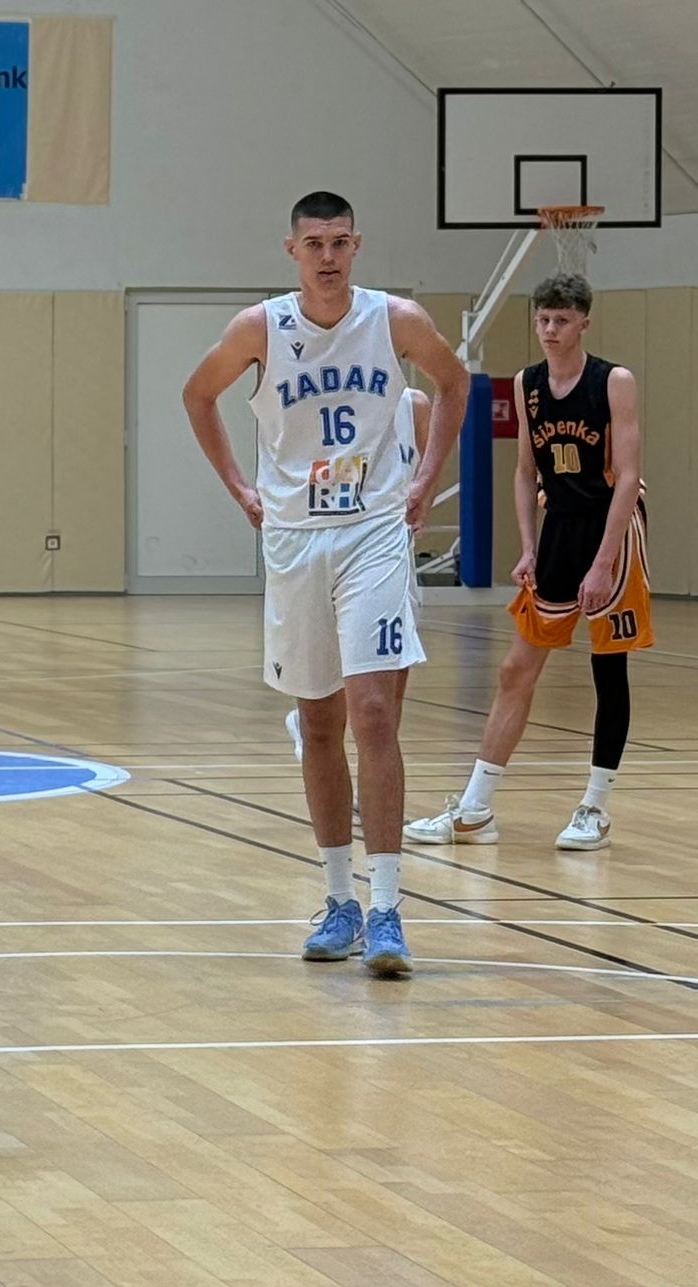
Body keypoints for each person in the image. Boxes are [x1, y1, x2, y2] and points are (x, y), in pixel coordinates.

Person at [182, 190, 468, 978]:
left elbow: (454, 384)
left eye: (340, 242)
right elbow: (197, 395)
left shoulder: (396, 320)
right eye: (315, 244)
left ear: (357, 245)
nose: (329, 256)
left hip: (373, 531)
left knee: (373, 712)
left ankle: (388, 909)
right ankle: (339, 898)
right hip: (295, 538)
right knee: (317, 723)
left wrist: (425, 478)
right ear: (293, 251)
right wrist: (240, 488)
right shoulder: (260, 328)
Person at [406, 273, 648, 852]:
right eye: (543, 319)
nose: (550, 329)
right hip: (559, 526)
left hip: (613, 529)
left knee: (608, 669)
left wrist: (603, 562)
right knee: (516, 669)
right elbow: (523, 472)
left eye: (561, 320)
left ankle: (595, 808)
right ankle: (475, 809)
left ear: (584, 322)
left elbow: (629, 477)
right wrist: (528, 547)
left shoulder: (613, 381)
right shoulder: (527, 384)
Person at [280, 386, 432, 831]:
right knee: (348, 681)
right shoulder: (334, 400)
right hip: (338, 547)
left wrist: (420, 496)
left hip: (392, 551)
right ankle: (313, 729)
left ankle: (371, 786)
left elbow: (426, 466)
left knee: (391, 680)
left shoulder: (415, 405)